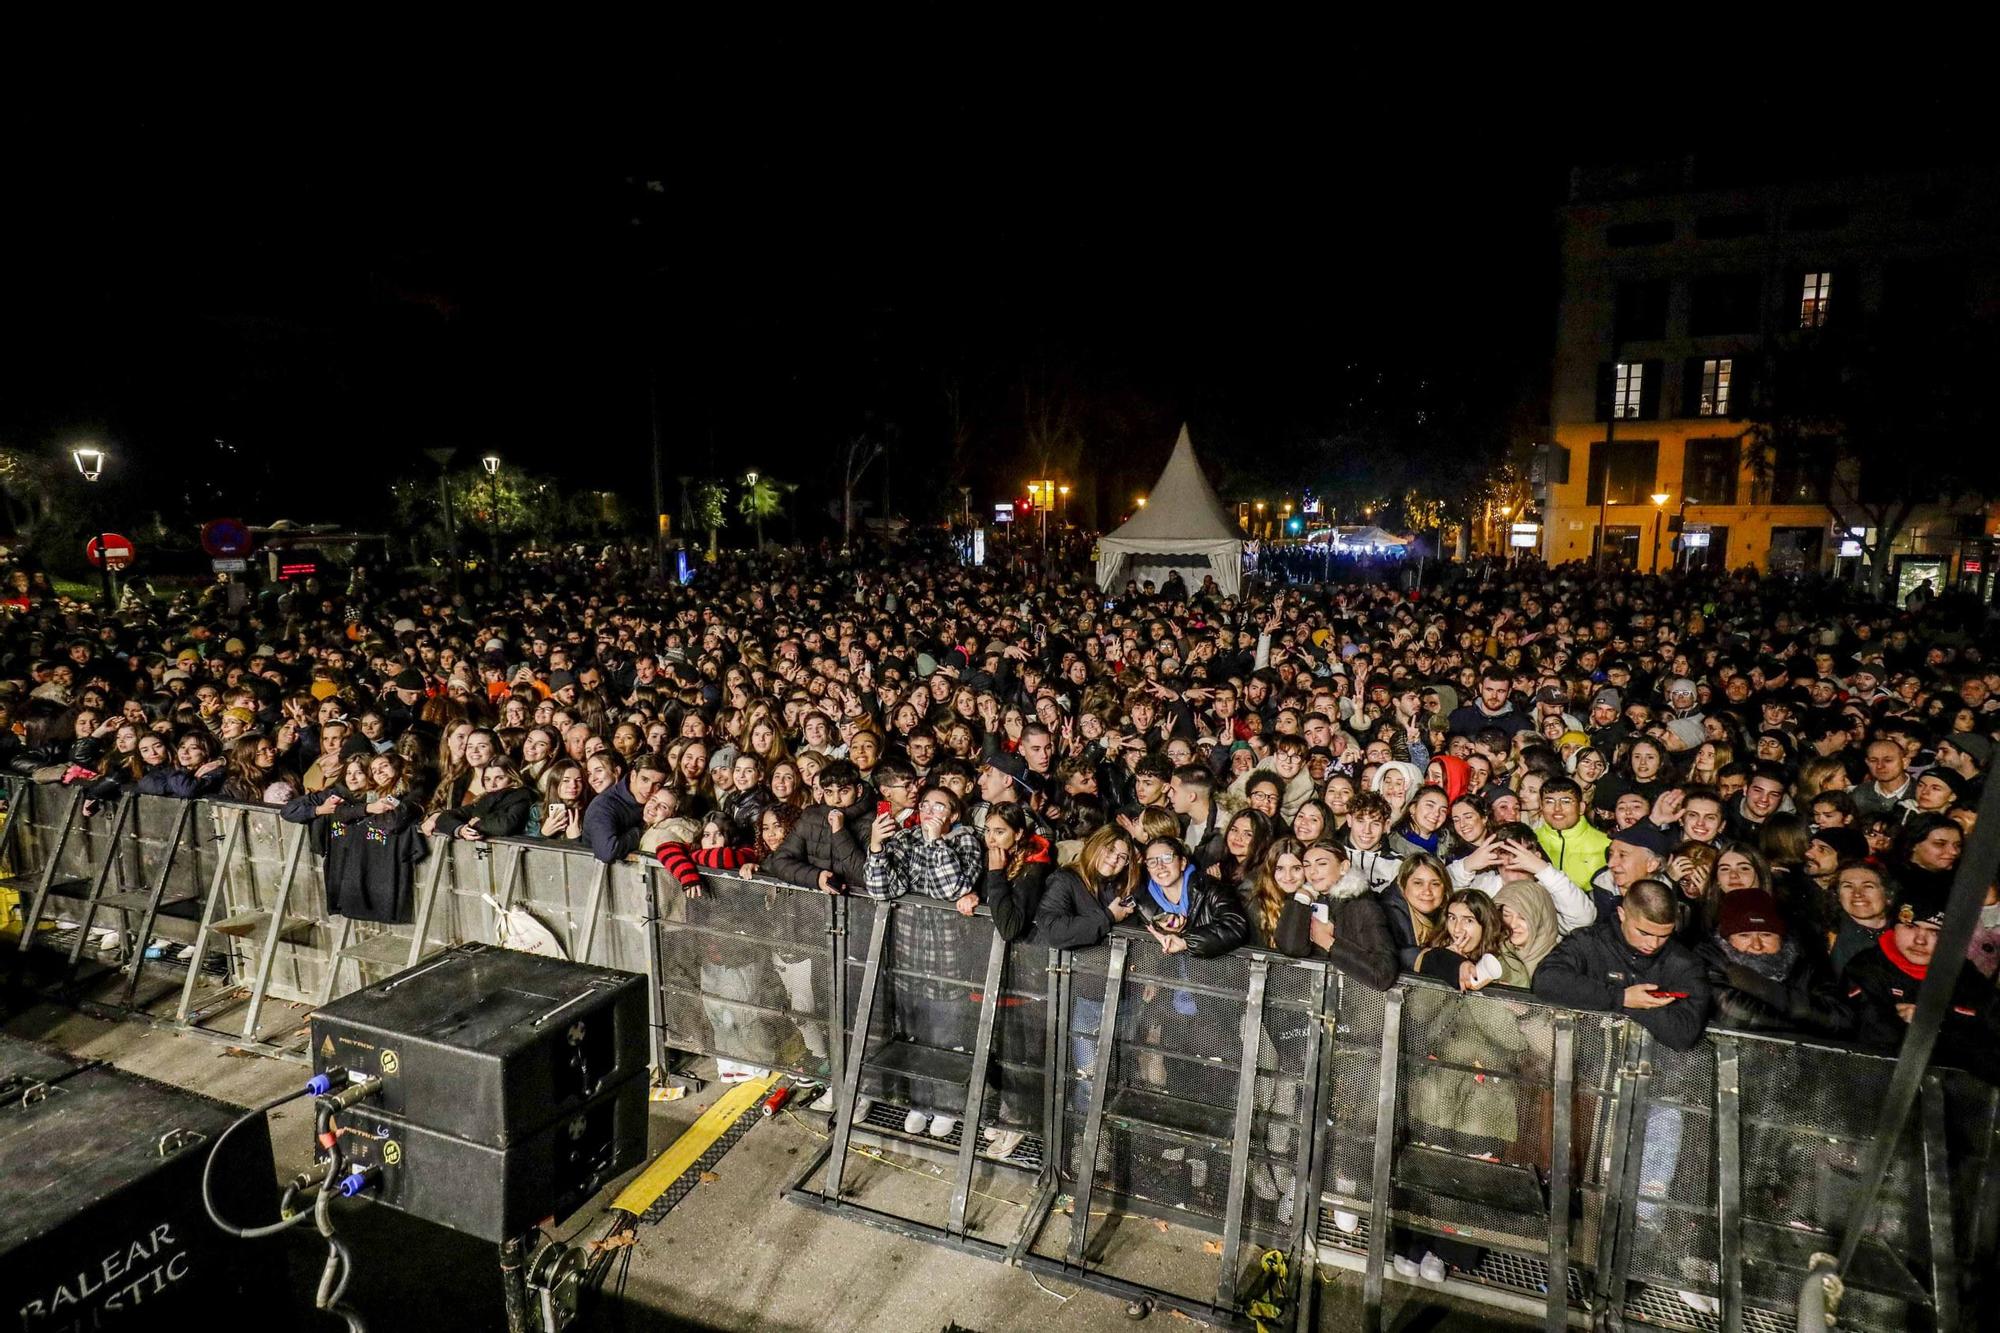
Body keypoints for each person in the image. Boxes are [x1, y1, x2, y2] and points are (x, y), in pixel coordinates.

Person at [1843, 884, 2000, 1084]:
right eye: (1910, 926)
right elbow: (1877, 1041)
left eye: (1935, 932)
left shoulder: (1964, 976)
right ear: (1894, 927)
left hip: (1951, 1096)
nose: (1920, 940)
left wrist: (1937, 1024)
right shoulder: (1864, 969)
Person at [1532, 878, 1712, 1051]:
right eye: (1644, 932)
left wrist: (1630, 1004)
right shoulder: (1588, 942)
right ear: (1622, 914)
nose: (1653, 943)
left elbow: (1684, 1034)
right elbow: (1546, 980)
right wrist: (1621, 997)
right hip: (1585, 1065)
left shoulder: (1685, 964)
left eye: (1663, 935)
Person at [1693, 888, 1854, 1037]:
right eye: (1744, 935)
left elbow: (1840, 1019)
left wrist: (1759, 986)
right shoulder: (1711, 960)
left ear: (1781, 938)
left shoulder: (1803, 964)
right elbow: (1733, 1014)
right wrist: (1807, 1028)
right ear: (1726, 939)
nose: (1756, 945)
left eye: (1766, 935)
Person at [583, 753, 668, 862]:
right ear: (633, 776)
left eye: (657, 784)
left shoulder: (656, 800)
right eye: (645, 780)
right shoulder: (603, 805)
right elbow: (607, 852)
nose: (649, 789)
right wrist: (642, 831)